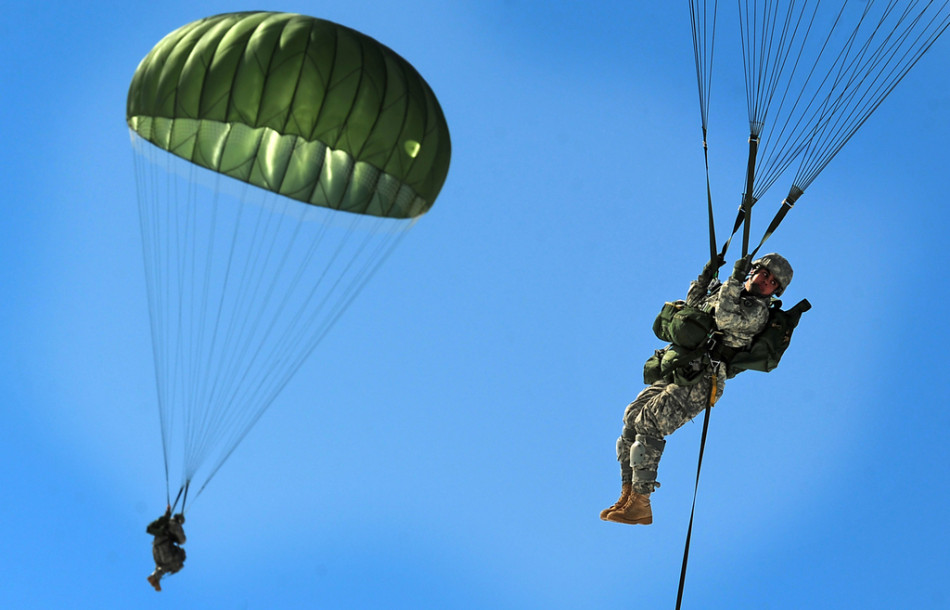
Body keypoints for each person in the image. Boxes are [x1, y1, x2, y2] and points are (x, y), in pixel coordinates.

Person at [600, 253, 794, 525]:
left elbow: (725, 319)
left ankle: (641, 504)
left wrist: (734, 281)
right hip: (683, 366)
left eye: (773, 283)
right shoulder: (727, 292)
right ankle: (628, 495)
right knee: (632, 418)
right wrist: (706, 277)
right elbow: (694, 306)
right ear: (755, 270)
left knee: (649, 421)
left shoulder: (756, 311)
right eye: (765, 274)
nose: (766, 282)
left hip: (705, 379)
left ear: (775, 291)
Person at [146, 506, 187, 591]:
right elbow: (182, 540)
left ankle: (155, 577)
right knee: (177, 563)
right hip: (164, 548)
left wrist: (167, 513)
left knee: (161, 564)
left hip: (155, 548)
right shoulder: (175, 524)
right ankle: (155, 577)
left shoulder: (164, 522)